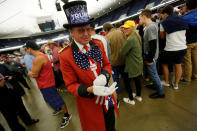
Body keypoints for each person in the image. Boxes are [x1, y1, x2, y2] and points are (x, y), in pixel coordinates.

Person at [59, 1, 118, 131]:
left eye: (88, 29)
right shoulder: (65, 55)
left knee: (111, 126)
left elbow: (107, 64)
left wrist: (104, 76)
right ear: (71, 32)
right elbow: (70, 85)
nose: (86, 34)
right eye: (80, 30)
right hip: (89, 104)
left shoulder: (98, 44)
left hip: (107, 98)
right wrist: (90, 89)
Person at [24, 40, 71, 129]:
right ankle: (61, 110)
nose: (27, 51)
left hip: (46, 84)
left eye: (26, 49)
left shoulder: (38, 58)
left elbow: (34, 74)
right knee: (53, 99)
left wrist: (29, 73)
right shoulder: (40, 56)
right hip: (46, 83)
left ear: (29, 49)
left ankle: (67, 115)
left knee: (57, 99)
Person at [160, 5, 188, 89]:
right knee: (178, 65)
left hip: (170, 48)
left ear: (165, 13)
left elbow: (162, 37)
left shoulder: (164, 22)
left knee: (164, 64)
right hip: (182, 47)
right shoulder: (183, 19)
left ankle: (167, 82)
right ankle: (176, 84)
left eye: (162, 14)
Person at [139, 9, 165, 98]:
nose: (139, 21)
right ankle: (155, 86)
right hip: (152, 54)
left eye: (140, 18)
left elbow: (152, 44)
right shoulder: (151, 26)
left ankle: (160, 92)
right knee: (153, 73)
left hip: (151, 55)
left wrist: (150, 58)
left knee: (153, 74)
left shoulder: (150, 27)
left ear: (144, 16)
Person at [120, 20, 143, 105]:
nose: (124, 30)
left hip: (132, 64)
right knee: (137, 80)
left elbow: (122, 52)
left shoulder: (130, 39)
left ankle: (131, 99)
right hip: (138, 63)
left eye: (127, 28)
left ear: (132, 29)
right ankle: (138, 96)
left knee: (126, 82)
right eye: (124, 28)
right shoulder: (136, 36)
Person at [103, 22, 127, 94]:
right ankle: (128, 88)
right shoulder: (121, 32)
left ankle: (117, 91)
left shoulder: (106, 37)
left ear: (106, 30)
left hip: (114, 61)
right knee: (125, 76)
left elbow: (107, 51)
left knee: (115, 78)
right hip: (124, 58)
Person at [181, 0, 197, 83]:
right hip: (196, 41)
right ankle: (195, 75)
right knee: (195, 59)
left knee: (187, 61)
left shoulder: (184, 18)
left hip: (188, 42)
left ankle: (187, 78)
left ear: (187, 7)